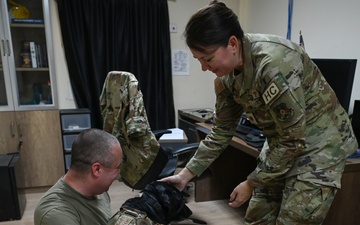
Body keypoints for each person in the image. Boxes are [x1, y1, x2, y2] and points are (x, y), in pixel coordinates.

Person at [160, 1, 358, 224]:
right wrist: (185, 175)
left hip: (320, 144)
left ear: (232, 43)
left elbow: (293, 139)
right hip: (281, 141)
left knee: (294, 219)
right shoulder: (225, 80)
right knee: (258, 215)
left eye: (208, 59)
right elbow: (221, 132)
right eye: (199, 60)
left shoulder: (274, 64)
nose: (204, 68)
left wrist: (251, 182)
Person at [34, 128, 123, 225]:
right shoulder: (55, 214)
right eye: (117, 167)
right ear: (97, 169)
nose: (118, 173)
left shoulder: (99, 191)